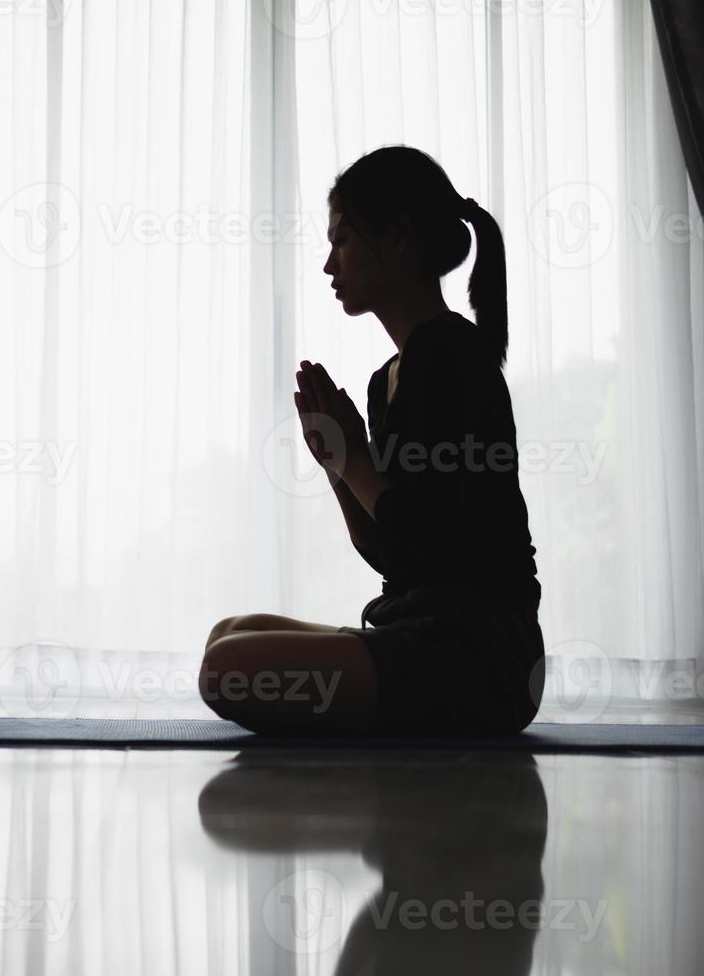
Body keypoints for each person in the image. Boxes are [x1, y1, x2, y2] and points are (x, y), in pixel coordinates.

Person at [199, 145, 544, 737]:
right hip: (417, 630)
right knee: (229, 634)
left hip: (481, 654)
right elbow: (393, 555)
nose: (330, 264)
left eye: (342, 240)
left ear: (398, 240)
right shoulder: (386, 380)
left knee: (229, 670)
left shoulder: (451, 354)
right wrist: (337, 468)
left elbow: (424, 532)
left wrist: (350, 457)